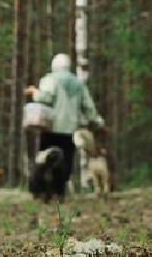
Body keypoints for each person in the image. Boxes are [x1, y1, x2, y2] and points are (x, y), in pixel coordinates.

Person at [24, 53, 105, 197]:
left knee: (45, 160)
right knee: (66, 161)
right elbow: (88, 107)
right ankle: (59, 192)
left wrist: (34, 92)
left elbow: (46, 98)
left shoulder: (49, 79)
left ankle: (40, 190)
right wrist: (98, 122)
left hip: (51, 128)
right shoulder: (78, 84)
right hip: (70, 130)